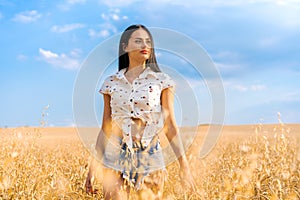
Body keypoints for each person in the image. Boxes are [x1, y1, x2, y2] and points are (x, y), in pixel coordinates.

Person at [85, 24, 196, 199]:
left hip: (150, 156)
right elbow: (106, 128)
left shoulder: (162, 81)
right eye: (138, 41)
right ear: (125, 47)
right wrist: (92, 170)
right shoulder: (111, 82)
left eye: (148, 42)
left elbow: (170, 125)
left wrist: (185, 167)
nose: (145, 45)